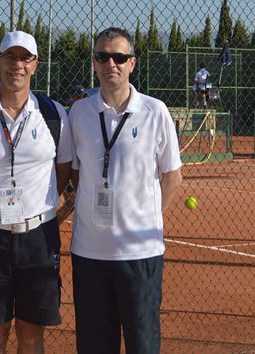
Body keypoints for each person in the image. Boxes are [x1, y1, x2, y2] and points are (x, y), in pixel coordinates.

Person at [68, 27, 183, 353]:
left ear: (132, 63)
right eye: (103, 56)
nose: (111, 64)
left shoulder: (154, 111)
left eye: (119, 57)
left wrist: (144, 219)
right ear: (94, 62)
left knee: (143, 344)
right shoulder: (79, 113)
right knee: (93, 346)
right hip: (89, 254)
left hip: (140, 254)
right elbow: (76, 175)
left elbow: (173, 177)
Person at [0, 31, 72, 354]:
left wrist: (41, 210)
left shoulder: (53, 115)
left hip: (39, 237)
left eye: (25, 58)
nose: (17, 66)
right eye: (11, 57)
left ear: (35, 66)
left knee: (30, 333)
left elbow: (62, 173)